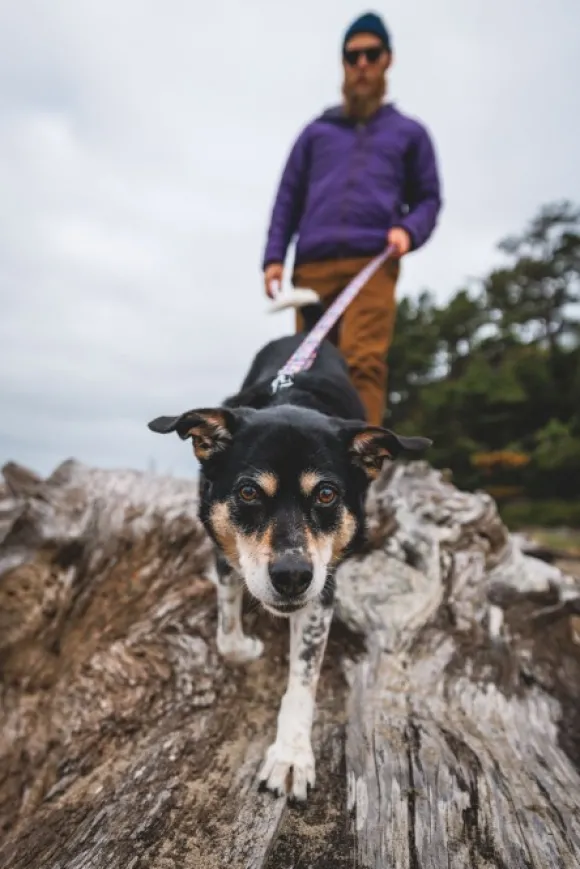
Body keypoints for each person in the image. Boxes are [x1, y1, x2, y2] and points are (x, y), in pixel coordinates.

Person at [261, 12, 442, 426]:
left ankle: (360, 460)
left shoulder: (409, 133)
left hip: (372, 263)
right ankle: (306, 454)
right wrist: (273, 257)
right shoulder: (315, 133)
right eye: (352, 56)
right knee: (307, 367)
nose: (361, 64)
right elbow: (288, 197)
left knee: (363, 363)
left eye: (371, 55)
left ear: (387, 60)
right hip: (312, 267)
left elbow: (429, 199)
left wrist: (408, 230)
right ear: (343, 62)